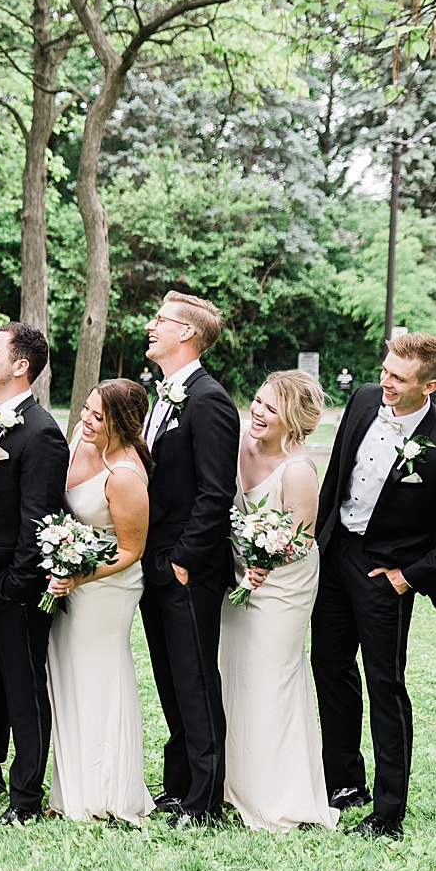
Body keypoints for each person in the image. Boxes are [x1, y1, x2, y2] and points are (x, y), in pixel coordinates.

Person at [312, 333, 436, 839]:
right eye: (385, 370)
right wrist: (318, 542)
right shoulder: (363, 399)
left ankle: (388, 811)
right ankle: (344, 782)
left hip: (384, 577)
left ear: (429, 385)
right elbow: (336, 476)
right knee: (329, 667)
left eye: (397, 377)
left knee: (385, 685)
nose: (384, 382)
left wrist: (408, 577)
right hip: (336, 557)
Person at [136, 292, 240, 827]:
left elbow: (216, 491)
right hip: (153, 561)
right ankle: (178, 787)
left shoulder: (208, 400)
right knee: (170, 679)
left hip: (187, 568)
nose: (150, 326)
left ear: (187, 334)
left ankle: (205, 800)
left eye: (161, 320)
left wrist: (183, 560)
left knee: (196, 682)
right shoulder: (164, 397)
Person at [218, 371, 337, 833]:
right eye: (258, 401)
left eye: (271, 408)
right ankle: (236, 784)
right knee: (237, 675)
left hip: (284, 585)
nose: (258, 411)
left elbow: (302, 540)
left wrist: (266, 562)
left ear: (293, 420)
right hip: (240, 576)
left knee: (271, 680)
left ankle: (278, 795)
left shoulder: (298, 470)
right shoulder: (240, 445)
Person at [0, 322, 69, 824]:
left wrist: (16, 585)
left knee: (24, 693)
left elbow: (39, 518)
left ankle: (25, 796)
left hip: (13, 586)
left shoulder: (41, 432)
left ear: (20, 366)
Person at [43, 379, 154, 825]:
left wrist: (77, 574)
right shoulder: (79, 439)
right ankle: (68, 787)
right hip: (69, 576)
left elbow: (131, 550)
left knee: (98, 679)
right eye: (86, 410)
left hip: (107, 586)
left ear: (121, 423)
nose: (86, 420)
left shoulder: (125, 475)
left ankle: (104, 792)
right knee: (67, 677)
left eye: (98, 416)